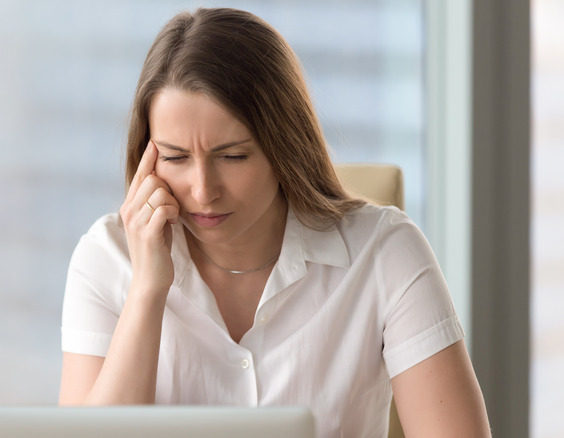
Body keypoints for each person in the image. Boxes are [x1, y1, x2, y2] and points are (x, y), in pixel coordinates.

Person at [59, 7, 490, 437]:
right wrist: (147, 292)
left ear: (284, 146)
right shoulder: (106, 257)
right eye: (175, 157)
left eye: (232, 156)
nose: (203, 190)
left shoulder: (385, 252)